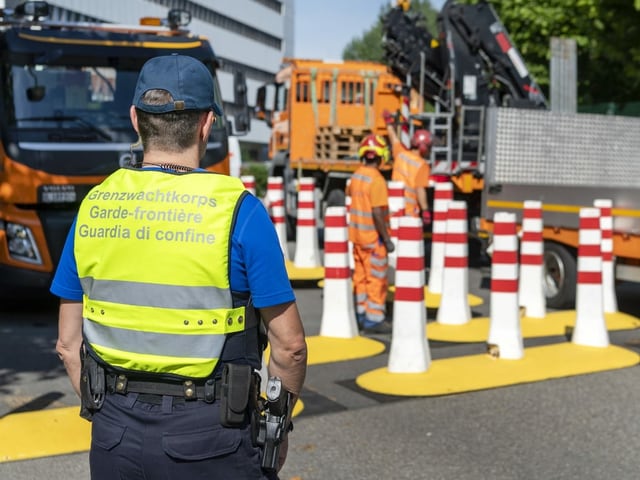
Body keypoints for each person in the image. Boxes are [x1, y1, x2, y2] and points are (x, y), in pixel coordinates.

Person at [51, 54, 307, 480]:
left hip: (114, 435)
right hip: (214, 438)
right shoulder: (239, 212)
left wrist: (108, 415)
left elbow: (66, 342)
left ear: (136, 119)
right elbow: (290, 347)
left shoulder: (94, 206)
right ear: (207, 124)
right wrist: (276, 428)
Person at [346, 134, 394, 334]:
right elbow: (377, 212)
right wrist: (387, 239)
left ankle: (361, 313)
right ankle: (374, 319)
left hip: (357, 238)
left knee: (361, 277)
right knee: (375, 279)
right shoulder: (377, 180)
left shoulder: (356, 176)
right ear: (382, 155)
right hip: (373, 240)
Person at [383, 109, 433, 227]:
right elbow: (420, 189)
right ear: (423, 148)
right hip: (409, 211)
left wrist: (388, 123)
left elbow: (393, 138)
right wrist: (425, 209)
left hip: (393, 206)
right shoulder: (422, 165)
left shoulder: (401, 154)